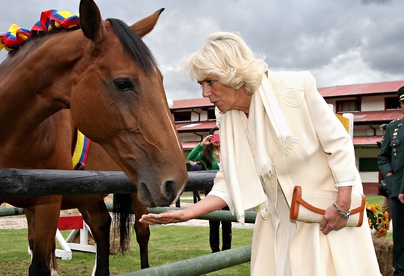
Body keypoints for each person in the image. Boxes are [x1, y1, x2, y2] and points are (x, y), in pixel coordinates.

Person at [140, 31, 380, 275]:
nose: (205, 94)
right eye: (201, 84)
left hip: (324, 218)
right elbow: (228, 181)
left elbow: (338, 143)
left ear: (233, 73)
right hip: (277, 224)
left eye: (210, 82)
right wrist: (187, 213)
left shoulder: (296, 87)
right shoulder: (226, 116)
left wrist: (342, 205)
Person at [188, 127, 232, 253]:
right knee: (213, 223)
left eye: (220, 136)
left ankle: (227, 249)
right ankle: (215, 250)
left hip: (227, 191)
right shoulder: (205, 154)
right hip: (212, 191)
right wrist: (202, 144)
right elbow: (192, 156)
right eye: (214, 137)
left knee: (227, 223)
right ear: (210, 138)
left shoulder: (229, 151)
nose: (217, 140)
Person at [378, 85, 404, 275]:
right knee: (400, 236)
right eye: (403, 103)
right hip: (397, 192)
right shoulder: (394, 127)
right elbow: (383, 157)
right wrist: (390, 176)